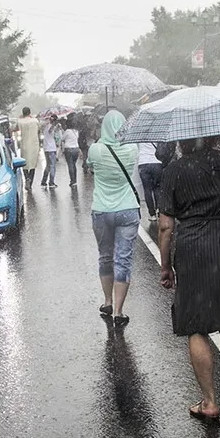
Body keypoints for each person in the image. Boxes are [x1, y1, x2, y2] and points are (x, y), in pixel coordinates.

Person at [158, 136, 220, 420]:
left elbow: (165, 226)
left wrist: (166, 266)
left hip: (193, 245)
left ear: (182, 139)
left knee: (196, 325)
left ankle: (210, 402)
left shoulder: (174, 170)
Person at [86, 111, 140, 327]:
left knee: (105, 256)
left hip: (101, 210)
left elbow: (90, 167)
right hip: (127, 209)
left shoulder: (95, 149)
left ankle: (107, 301)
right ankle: (119, 311)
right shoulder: (132, 148)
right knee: (123, 259)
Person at [137, 142, 163, 220]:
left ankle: (152, 214)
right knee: (157, 188)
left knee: (147, 190)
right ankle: (159, 210)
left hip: (143, 163)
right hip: (156, 162)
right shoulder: (156, 135)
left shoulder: (138, 136)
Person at [16, 107, 40, 190]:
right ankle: (30, 181)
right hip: (34, 146)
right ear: (30, 112)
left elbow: (14, 128)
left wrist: (19, 118)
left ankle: (27, 178)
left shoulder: (20, 121)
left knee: (24, 164)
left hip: (24, 146)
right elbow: (39, 129)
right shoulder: (35, 121)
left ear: (23, 113)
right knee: (33, 165)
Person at [40, 115, 60, 188]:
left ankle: (43, 181)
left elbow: (52, 134)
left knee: (48, 166)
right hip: (51, 149)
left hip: (46, 148)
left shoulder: (46, 126)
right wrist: (54, 126)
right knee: (52, 166)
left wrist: (56, 128)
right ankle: (51, 182)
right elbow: (50, 131)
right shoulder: (50, 127)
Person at [61, 116, 81, 186]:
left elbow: (62, 139)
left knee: (70, 165)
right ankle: (75, 180)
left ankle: (72, 181)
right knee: (74, 165)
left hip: (69, 149)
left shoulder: (67, 131)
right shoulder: (76, 131)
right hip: (76, 149)